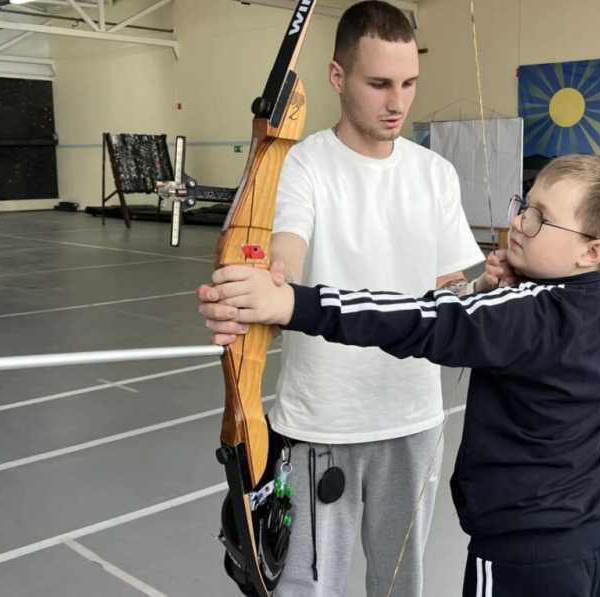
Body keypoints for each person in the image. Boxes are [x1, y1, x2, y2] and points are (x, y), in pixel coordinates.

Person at [199, 154, 600, 597]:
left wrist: (291, 304)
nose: (519, 223)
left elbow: (419, 318)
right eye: (525, 205)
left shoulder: (527, 317)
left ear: (593, 251)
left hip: (521, 555)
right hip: (591, 542)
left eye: (539, 219)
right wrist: (525, 273)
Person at [204, 2, 483, 596]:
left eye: (409, 83)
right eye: (378, 83)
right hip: (321, 423)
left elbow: (448, 289)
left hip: (414, 420)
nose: (397, 102)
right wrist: (255, 293)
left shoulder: (435, 174)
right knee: (306, 588)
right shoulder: (301, 166)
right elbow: (285, 260)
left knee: (399, 586)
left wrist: (487, 291)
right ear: (337, 77)